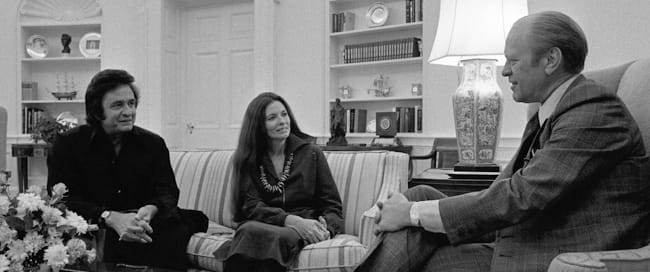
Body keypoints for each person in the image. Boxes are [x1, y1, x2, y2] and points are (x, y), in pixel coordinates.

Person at [356, 11, 650, 272]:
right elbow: (502, 190)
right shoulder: (547, 113)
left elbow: (521, 196)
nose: (505, 70)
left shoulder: (594, 111)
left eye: (514, 60)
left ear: (550, 60)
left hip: (552, 252)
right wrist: (413, 211)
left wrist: (411, 215)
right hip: (524, 235)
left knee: (422, 249)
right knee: (418, 194)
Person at [47, 69, 207, 270]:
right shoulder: (67, 144)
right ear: (97, 111)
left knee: (179, 225)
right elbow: (63, 200)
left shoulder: (153, 144)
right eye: (118, 105)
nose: (128, 111)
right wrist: (110, 217)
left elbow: (167, 191)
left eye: (131, 103)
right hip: (95, 222)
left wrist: (151, 209)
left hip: (145, 223)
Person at [222, 92, 344, 272]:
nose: (282, 121)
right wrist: (288, 219)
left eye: (284, 114)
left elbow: (333, 206)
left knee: (267, 236)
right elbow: (251, 206)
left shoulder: (311, 153)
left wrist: (325, 228)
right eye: (272, 117)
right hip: (265, 223)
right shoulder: (249, 159)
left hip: (303, 225)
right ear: (259, 126)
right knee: (250, 230)